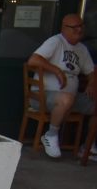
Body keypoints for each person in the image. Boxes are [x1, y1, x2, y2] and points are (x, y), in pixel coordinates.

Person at [27, 13, 97, 160]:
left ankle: (88, 148)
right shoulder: (55, 42)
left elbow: (91, 71)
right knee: (66, 99)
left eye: (81, 26)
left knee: (90, 103)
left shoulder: (82, 49)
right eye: (74, 27)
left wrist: (91, 82)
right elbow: (33, 60)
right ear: (64, 28)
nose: (79, 30)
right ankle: (51, 135)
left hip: (70, 97)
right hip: (44, 96)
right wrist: (57, 70)